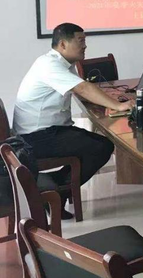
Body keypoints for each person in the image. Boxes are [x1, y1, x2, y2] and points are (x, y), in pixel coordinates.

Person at [12, 23, 130, 219]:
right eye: (80, 41)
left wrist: (108, 100)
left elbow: (80, 89)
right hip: (35, 138)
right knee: (101, 147)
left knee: (100, 143)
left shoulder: (63, 64)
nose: (85, 46)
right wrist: (118, 106)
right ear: (63, 44)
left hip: (48, 131)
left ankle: (56, 189)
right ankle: (56, 193)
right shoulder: (49, 65)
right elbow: (82, 89)